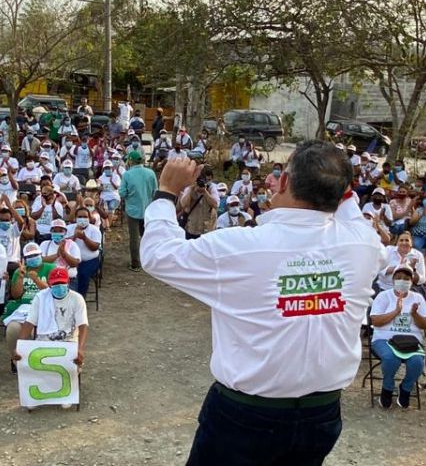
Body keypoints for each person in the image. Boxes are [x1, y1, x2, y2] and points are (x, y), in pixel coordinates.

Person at [140, 142, 382, 466]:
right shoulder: (363, 244)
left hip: (244, 416)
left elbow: (158, 255)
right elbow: (350, 211)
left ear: (284, 182)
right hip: (321, 415)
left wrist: (167, 191)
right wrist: (340, 187)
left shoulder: (241, 247)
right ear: (341, 194)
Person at [12, 265, 88, 396]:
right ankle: (40, 392)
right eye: (55, 284)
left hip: (68, 341)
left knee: (70, 363)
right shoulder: (41, 297)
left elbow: (83, 325)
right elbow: (29, 322)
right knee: (29, 361)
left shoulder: (77, 299)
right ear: (49, 284)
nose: (59, 287)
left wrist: (80, 348)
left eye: (62, 283)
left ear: (68, 282)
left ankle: (64, 391)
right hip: (44, 340)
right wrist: (19, 345)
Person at [368, 264, 426, 408]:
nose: (403, 281)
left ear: (412, 281)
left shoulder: (418, 298)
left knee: (417, 362)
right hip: (384, 338)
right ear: (393, 279)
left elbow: (425, 324)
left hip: (411, 340)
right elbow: (375, 321)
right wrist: (396, 311)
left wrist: (414, 314)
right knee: (391, 359)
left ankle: (406, 388)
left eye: (406, 278)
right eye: (399, 278)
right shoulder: (384, 296)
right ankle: (387, 387)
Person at [117, 148, 156, 271]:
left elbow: (122, 193)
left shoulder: (127, 175)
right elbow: (156, 191)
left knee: (134, 238)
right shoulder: (151, 173)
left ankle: (136, 263)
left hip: (133, 210)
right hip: (148, 209)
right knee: (147, 236)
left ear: (130, 161)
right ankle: (150, 260)